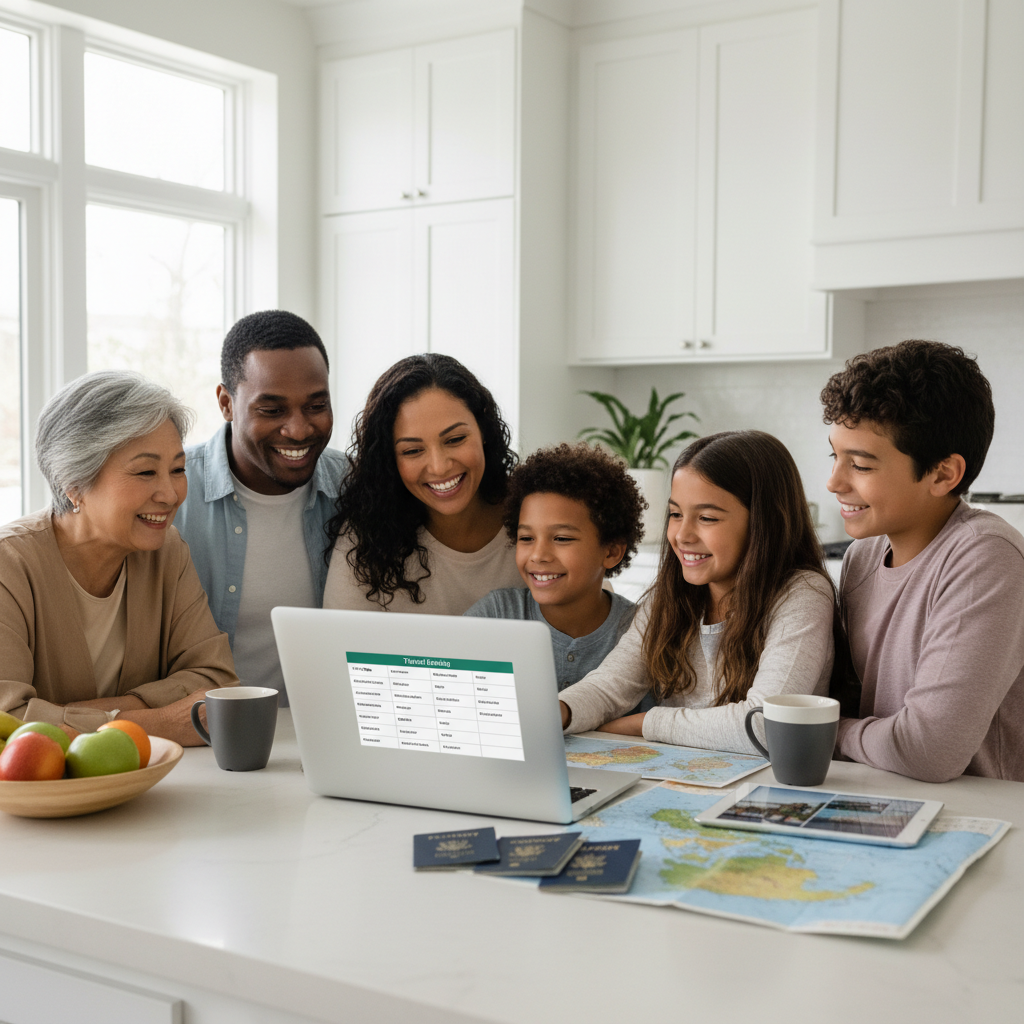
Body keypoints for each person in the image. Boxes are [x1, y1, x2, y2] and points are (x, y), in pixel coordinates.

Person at [557, 430, 835, 755]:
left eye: (706, 517)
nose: (682, 535)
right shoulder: (670, 596)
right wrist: (558, 712)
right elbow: (610, 686)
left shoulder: (802, 594)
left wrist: (646, 724)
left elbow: (766, 723)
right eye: (675, 514)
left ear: (764, 522)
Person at [822, 340, 1024, 783]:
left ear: (942, 474)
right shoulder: (863, 556)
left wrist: (827, 732)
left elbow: (928, 750)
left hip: (982, 811)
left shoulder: (986, 558)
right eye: (834, 456)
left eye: (860, 464)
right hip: (887, 791)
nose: (833, 481)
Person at [0, 371, 237, 745]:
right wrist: (159, 722)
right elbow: (9, 720)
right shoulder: (8, 565)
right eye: (145, 471)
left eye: (178, 469)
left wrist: (73, 715)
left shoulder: (167, 552)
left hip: (152, 785)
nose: (171, 494)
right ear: (73, 483)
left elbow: (217, 683)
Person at [175, 311, 348, 705]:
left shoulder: (356, 488)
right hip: (202, 742)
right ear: (226, 403)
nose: (299, 429)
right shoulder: (172, 494)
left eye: (316, 405)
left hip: (322, 736)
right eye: (272, 410)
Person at [323, 353, 522, 613]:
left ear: (484, 429)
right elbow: (341, 648)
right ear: (390, 460)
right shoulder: (365, 539)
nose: (439, 467)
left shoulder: (533, 516)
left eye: (455, 439)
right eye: (412, 451)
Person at [465, 442, 644, 690]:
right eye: (526, 538)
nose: (538, 555)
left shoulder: (639, 632)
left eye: (561, 538)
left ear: (612, 551)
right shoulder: (496, 615)